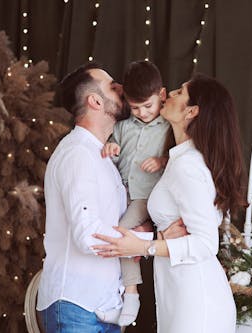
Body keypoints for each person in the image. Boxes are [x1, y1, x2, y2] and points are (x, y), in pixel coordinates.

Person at [36, 63, 186, 332]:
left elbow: (111, 222)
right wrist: (152, 241)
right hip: (75, 306)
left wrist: (140, 233)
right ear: (95, 101)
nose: (122, 89)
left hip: (103, 306)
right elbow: (88, 235)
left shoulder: (103, 156)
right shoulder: (78, 154)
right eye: (113, 87)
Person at [92, 74, 246, 332]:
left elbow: (207, 242)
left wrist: (144, 246)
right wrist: (159, 235)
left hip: (196, 297)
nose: (170, 94)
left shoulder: (187, 166)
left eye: (179, 92)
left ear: (192, 111)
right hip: (178, 290)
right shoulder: (180, 159)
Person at [98, 60, 171, 326]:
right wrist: (110, 149)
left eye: (148, 106)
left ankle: (131, 295)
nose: (141, 112)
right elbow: (109, 146)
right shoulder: (123, 127)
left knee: (120, 235)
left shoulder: (168, 129)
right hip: (120, 195)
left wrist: (162, 161)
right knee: (106, 237)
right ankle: (113, 296)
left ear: (161, 96)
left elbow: (180, 161)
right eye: (135, 107)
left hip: (145, 199)